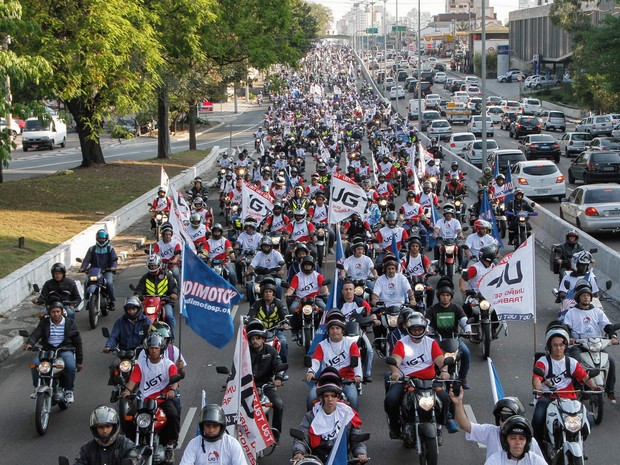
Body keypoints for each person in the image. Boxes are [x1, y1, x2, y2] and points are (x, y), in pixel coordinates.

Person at [384, 312, 459, 439]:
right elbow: (395, 360)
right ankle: (395, 426)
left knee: (445, 398)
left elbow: (440, 360)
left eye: (419, 329)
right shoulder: (401, 343)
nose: (417, 331)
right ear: (408, 329)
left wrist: (444, 371)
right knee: (391, 400)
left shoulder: (431, 343)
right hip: (407, 381)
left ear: (424, 328)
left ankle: (442, 425)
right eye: (414, 329)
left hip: (429, 381)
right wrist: (396, 372)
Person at [531, 326, 600, 447]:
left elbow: (585, 377)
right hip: (548, 398)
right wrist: (539, 390)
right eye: (555, 345)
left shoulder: (572, 362)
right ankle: (538, 446)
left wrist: (594, 387)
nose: (558, 348)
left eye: (561, 344)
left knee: (588, 419)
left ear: (565, 345)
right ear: (549, 346)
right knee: (538, 418)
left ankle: (578, 442)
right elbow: (537, 378)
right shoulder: (543, 361)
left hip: (570, 399)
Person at [122, 332, 180, 462]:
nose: (153, 350)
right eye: (151, 348)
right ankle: (132, 444)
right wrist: (126, 391)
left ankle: (169, 446)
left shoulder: (168, 364)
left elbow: (175, 380)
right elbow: (133, 381)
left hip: (162, 400)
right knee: (128, 417)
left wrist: (171, 389)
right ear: (147, 349)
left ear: (161, 349)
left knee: (173, 415)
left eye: (156, 348)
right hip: (144, 400)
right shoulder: (141, 365)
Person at [292, 368, 368, 464]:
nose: (330, 399)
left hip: (341, 459)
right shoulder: (311, 416)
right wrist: (299, 452)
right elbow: (302, 437)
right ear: (320, 398)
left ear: (338, 397)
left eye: (333, 395)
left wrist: (361, 453)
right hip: (317, 459)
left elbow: (357, 440)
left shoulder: (348, 415)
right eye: (326, 396)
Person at [564, 281, 618, 403]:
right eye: (583, 295)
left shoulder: (597, 312)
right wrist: (569, 338)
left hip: (596, 345)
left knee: (611, 362)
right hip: (579, 345)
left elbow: (607, 325)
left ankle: (610, 391)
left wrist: (613, 336)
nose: (586, 297)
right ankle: (576, 388)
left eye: (588, 295)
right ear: (578, 298)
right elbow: (566, 328)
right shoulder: (571, 313)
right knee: (575, 362)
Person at [450, 389, 544, 459]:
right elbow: (465, 425)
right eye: (502, 418)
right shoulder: (491, 432)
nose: (517, 442)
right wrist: (458, 403)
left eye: (510, 419)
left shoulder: (531, 442)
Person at [23, 301, 83, 403]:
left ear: (62, 312)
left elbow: (78, 342)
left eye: (57, 311)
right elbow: (36, 333)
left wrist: (80, 361)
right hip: (48, 350)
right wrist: (30, 343)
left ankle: (69, 391)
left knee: (70, 366)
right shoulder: (45, 323)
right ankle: (37, 387)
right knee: (35, 364)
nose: (55, 314)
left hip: (64, 349)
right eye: (53, 312)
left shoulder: (70, 323)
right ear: (49, 313)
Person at [306, 311, 363, 411]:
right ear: (328, 331)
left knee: (352, 398)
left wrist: (358, 375)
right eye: (332, 328)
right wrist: (311, 371)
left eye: (337, 328)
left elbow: (356, 360)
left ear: (342, 331)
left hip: (346, 380)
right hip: (327, 379)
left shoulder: (351, 343)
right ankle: (310, 423)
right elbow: (315, 361)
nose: (334, 331)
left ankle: (354, 425)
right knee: (311, 397)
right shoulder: (322, 345)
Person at [425, 277, 472, 388]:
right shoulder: (432, 309)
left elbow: (464, 320)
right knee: (430, 355)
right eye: (443, 295)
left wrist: (468, 330)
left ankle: (463, 377)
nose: (445, 298)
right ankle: (431, 375)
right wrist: (426, 330)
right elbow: (426, 321)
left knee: (466, 353)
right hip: (437, 338)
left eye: (447, 295)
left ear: (451, 297)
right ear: (439, 296)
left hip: (454, 338)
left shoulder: (456, 308)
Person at [246, 320, 286, 436]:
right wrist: (229, 381)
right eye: (252, 339)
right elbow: (236, 368)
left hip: (266, 385)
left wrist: (278, 378)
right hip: (248, 386)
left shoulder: (271, 351)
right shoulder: (244, 352)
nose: (255, 341)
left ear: (263, 339)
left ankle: (275, 434)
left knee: (278, 405)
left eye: (258, 338)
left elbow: (279, 365)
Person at [179, 404, 246, 465]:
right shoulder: (193, 444)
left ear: (221, 426)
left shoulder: (232, 444)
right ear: (202, 427)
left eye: (215, 426)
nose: (211, 430)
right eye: (208, 426)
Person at [73, 405, 140, 465]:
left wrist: (133, 461)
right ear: (95, 429)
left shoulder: (125, 444)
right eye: (101, 427)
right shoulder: (86, 449)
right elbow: (79, 462)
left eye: (108, 426)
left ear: (114, 427)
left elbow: (136, 458)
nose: (104, 430)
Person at [337, 280, 375, 382]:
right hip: (342, 333)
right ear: (342, 291)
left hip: (358, 331)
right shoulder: (338, 304)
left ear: (354, 290)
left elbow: (370, 313)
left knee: (370, 350)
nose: (348, 291)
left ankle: (366, 374)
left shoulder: (361, 302)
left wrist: (374, 319)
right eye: (346, 289)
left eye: (350, 289)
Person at [247, 281, 290, 366]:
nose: (268, 294)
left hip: (276, 330)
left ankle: (282, 368)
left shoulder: (279, 303)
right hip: (260, 331)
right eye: (266, 292)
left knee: (283, 344)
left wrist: (285, 323)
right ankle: (250, 367)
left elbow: (284, 315)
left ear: (274, 293)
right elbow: (251, 314)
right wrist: (248, 321)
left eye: (270, 292)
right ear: (262, 293)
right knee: (249, 345)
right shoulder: (257, 303)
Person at [134, 254, 178, 335]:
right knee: (137, 316)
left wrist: (173, 294)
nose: (153, 267)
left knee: (169, 316)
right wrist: (137, 295)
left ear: (159, 265)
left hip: (164, 301)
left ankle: (171, 336)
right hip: (149, 302)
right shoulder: (145, 277)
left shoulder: (167, 275)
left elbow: (173, 286)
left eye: (154, 265)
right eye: (151, 266)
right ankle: (138, 335)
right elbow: (140, 288)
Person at [79, 229, 118, 311]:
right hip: (94, 271)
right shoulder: (92, 249)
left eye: (103, 238)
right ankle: (89, 301)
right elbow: (86, 260)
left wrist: (113, 267)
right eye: (100, 238)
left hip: (106, 271)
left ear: (106, 239)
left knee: (109, 283)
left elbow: (114, 260)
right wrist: (83, 267)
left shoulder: (110, 249)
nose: (101, 240)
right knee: (86, 282)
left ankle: (111, 301)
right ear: (97, 238)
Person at [246, 236, 285, 303]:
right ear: (261, 247)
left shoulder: (276, 253)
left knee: (278, 284)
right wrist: (248, 271)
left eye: (267, 246)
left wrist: (282, 270)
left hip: (274, 274)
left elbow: (283, 263)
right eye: (264, 246)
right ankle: (252, 306)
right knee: (250, 285)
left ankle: (279, 302)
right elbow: (252, 265)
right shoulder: (258, 254)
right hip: (261, 274)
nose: (266, 248)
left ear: (271, 246)